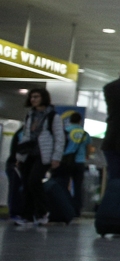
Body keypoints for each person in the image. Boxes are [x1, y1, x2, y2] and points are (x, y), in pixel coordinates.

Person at [11, 89, 64, 227]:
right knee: (27, 184)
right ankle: (27, 216)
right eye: (31, 97)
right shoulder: (30, 115)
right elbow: (26, 136)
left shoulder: (53, 116)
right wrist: (20, 157)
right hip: (29, 154)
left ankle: (42, 211)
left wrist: (56, 157)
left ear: (43, 98)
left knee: (34, 181)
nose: (33, 99)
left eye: (36, 97)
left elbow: (59, 138)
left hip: (44, 155)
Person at [51, 112, 90, 216]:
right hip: (80, 163)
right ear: (80, 121)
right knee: (78, 187)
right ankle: (77, 210)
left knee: (63, 185)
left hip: (66, 162)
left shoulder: (66, 131)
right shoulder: (85, 133)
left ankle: (64, 207)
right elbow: (88, 148)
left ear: (70, 120)